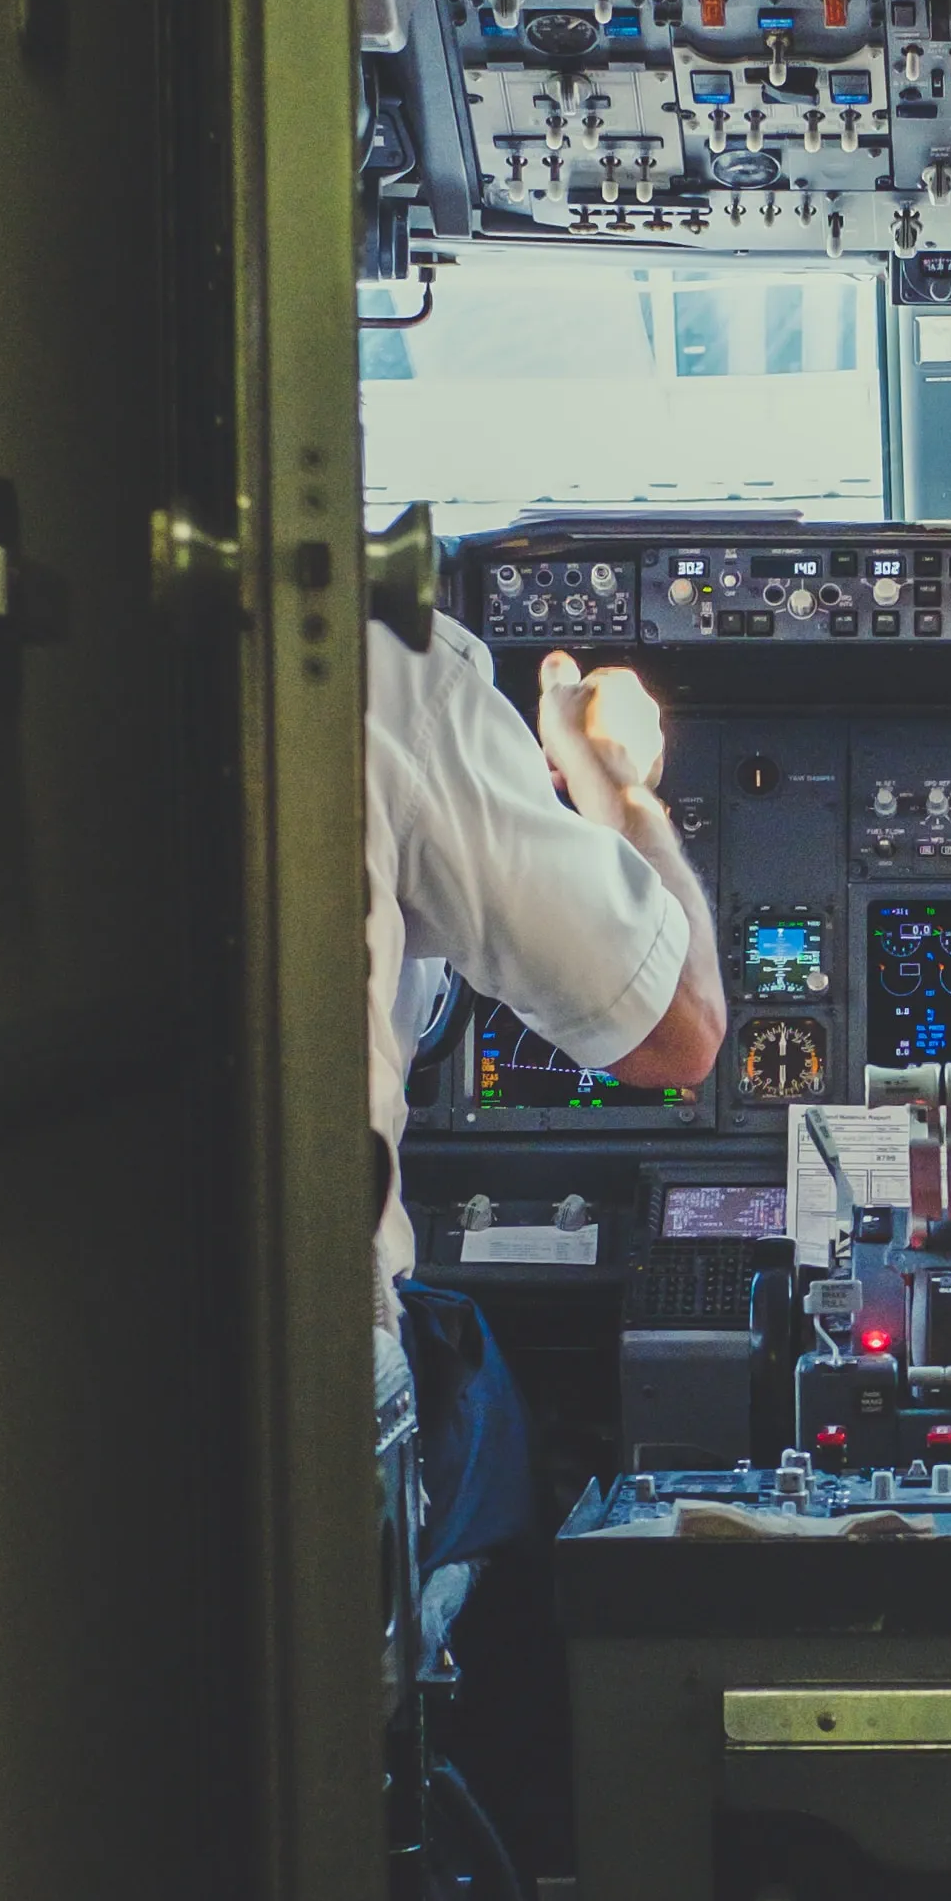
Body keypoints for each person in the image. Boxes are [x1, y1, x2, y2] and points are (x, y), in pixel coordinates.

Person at [368, 609, 726, 1623]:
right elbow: (683, 1029)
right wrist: (616, 785)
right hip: (324, 1365)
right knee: (508, 1450)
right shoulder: (391, 667)